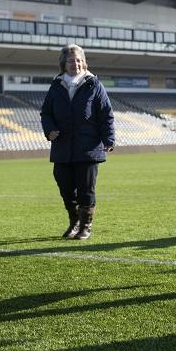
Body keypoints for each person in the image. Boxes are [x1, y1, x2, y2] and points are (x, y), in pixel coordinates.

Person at [40, 44, 116, 240]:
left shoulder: (94, 84)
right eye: (71, 60)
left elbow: (106, 114)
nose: (76, 63)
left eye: (79, 60)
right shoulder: (56, 85)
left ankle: (85, 227)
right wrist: (49, 131)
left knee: (86, 189)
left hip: (88, 147)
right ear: (63, 64)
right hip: (63, 147)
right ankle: (74, 222)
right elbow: (46, 113)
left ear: (84, 62)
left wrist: (109, 138)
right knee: (65, 186)